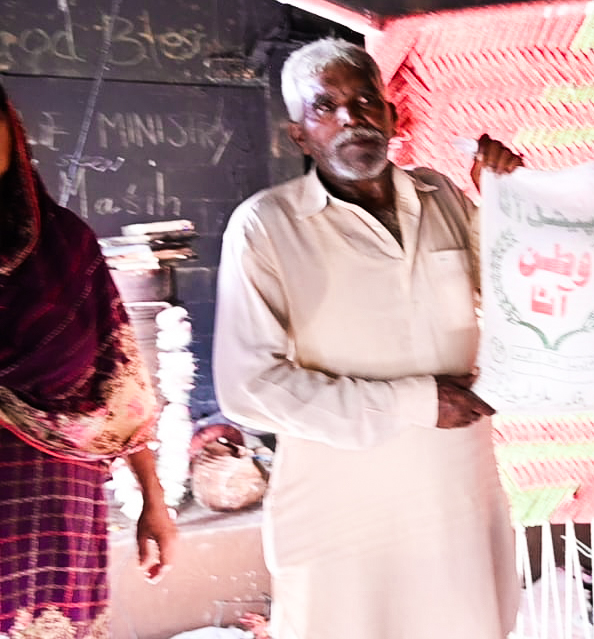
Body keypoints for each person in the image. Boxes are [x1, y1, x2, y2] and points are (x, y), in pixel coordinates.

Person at [213, 38, 521, 639]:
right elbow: (247, 389)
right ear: (299, 135)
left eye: (363, 101)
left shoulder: (441, 196)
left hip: (455, 494)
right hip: (343, 518)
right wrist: (415, 401)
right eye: (324, 106)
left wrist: (506, 204)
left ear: (391, 115)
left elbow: (512, 296)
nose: (350, 117)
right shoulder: (266, 226)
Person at [0, 81, 176, 636]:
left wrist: (153, 500)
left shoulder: (68, 248)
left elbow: (122, 387)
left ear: (11, 133)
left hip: (59, 517)